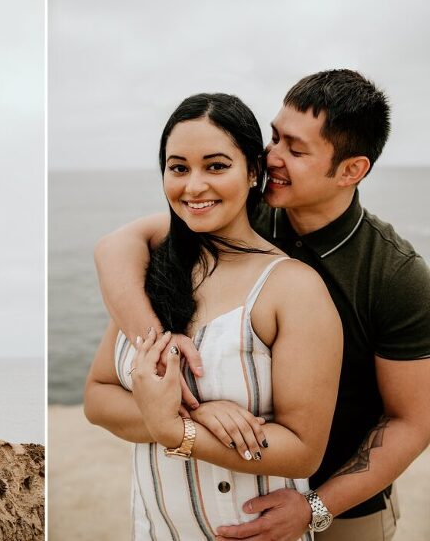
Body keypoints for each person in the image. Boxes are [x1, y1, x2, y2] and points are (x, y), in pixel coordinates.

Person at [93, 70, 430, 540]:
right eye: (274, 138)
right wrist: (160, 348)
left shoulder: (393, 274)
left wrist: (315, 507)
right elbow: (118, 246)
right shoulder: (244, 211)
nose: (271, 157)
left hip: (343, 505)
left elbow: (412, 420)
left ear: (351, 169)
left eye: (295, 149)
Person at [84, 93, 343, 541]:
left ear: (253, 172)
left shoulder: (293, 288)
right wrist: (199, 416)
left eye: (216, 166)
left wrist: (174, 428)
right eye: (178, 167)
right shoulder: (151, 274)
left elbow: (304, 451)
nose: (193, 186)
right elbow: (97, 398)